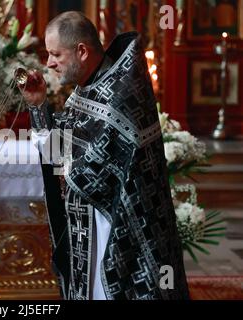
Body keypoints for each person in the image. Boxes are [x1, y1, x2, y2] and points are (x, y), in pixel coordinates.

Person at [18, 11, 190, 300]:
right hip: (92, 225)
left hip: (120, 229)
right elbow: (64, 147)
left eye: (55, 54)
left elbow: (88, 174)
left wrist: (63, 155)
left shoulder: (118, 94)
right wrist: (38, 105)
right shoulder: (92, 86)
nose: (49, 63)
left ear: (81, 51)